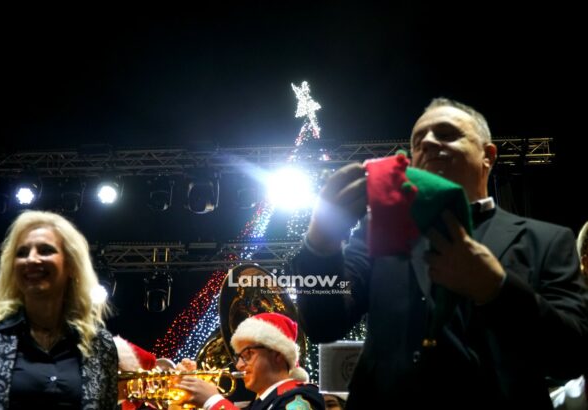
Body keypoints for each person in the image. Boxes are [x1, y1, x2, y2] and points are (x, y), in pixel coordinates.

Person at [291, 98, 588, 408]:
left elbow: (573, 356)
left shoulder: (548, 240)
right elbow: (323, 324)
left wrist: (497, 289)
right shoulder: (376, 232)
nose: (429, 143)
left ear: (488, 156)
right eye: (418, 142)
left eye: (446, 134)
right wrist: (320, 245)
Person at [0, 210, 118, 409]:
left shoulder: (100, 344)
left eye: (45, 250)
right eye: (22, 253)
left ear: (71, 265)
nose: (31, 259)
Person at [177, 312, 325, 410]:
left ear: (278, 354)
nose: (238, 365)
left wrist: (213, 401)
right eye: (239, 357)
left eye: (248, 354)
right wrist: (184, 391)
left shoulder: (301, 396)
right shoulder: (257, 404)